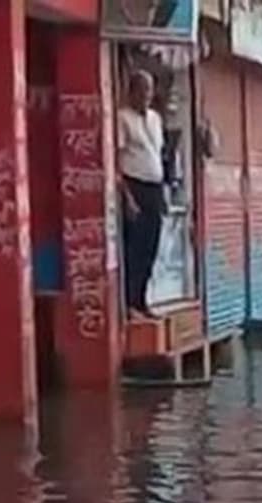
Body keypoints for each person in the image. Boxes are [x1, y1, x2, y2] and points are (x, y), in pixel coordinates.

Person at [118, 69, 166, 319]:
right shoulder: (122, 118)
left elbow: (157, 154)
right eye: (142, 89)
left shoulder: (156, 119)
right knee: (134, 248)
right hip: (133, 186)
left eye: (149, 89)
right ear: (132, 91)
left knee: (151, 246)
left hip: (154, 186)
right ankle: (129, 304)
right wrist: (127, 197)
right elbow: (116, 159)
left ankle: (141, 299)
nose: (146, 95)